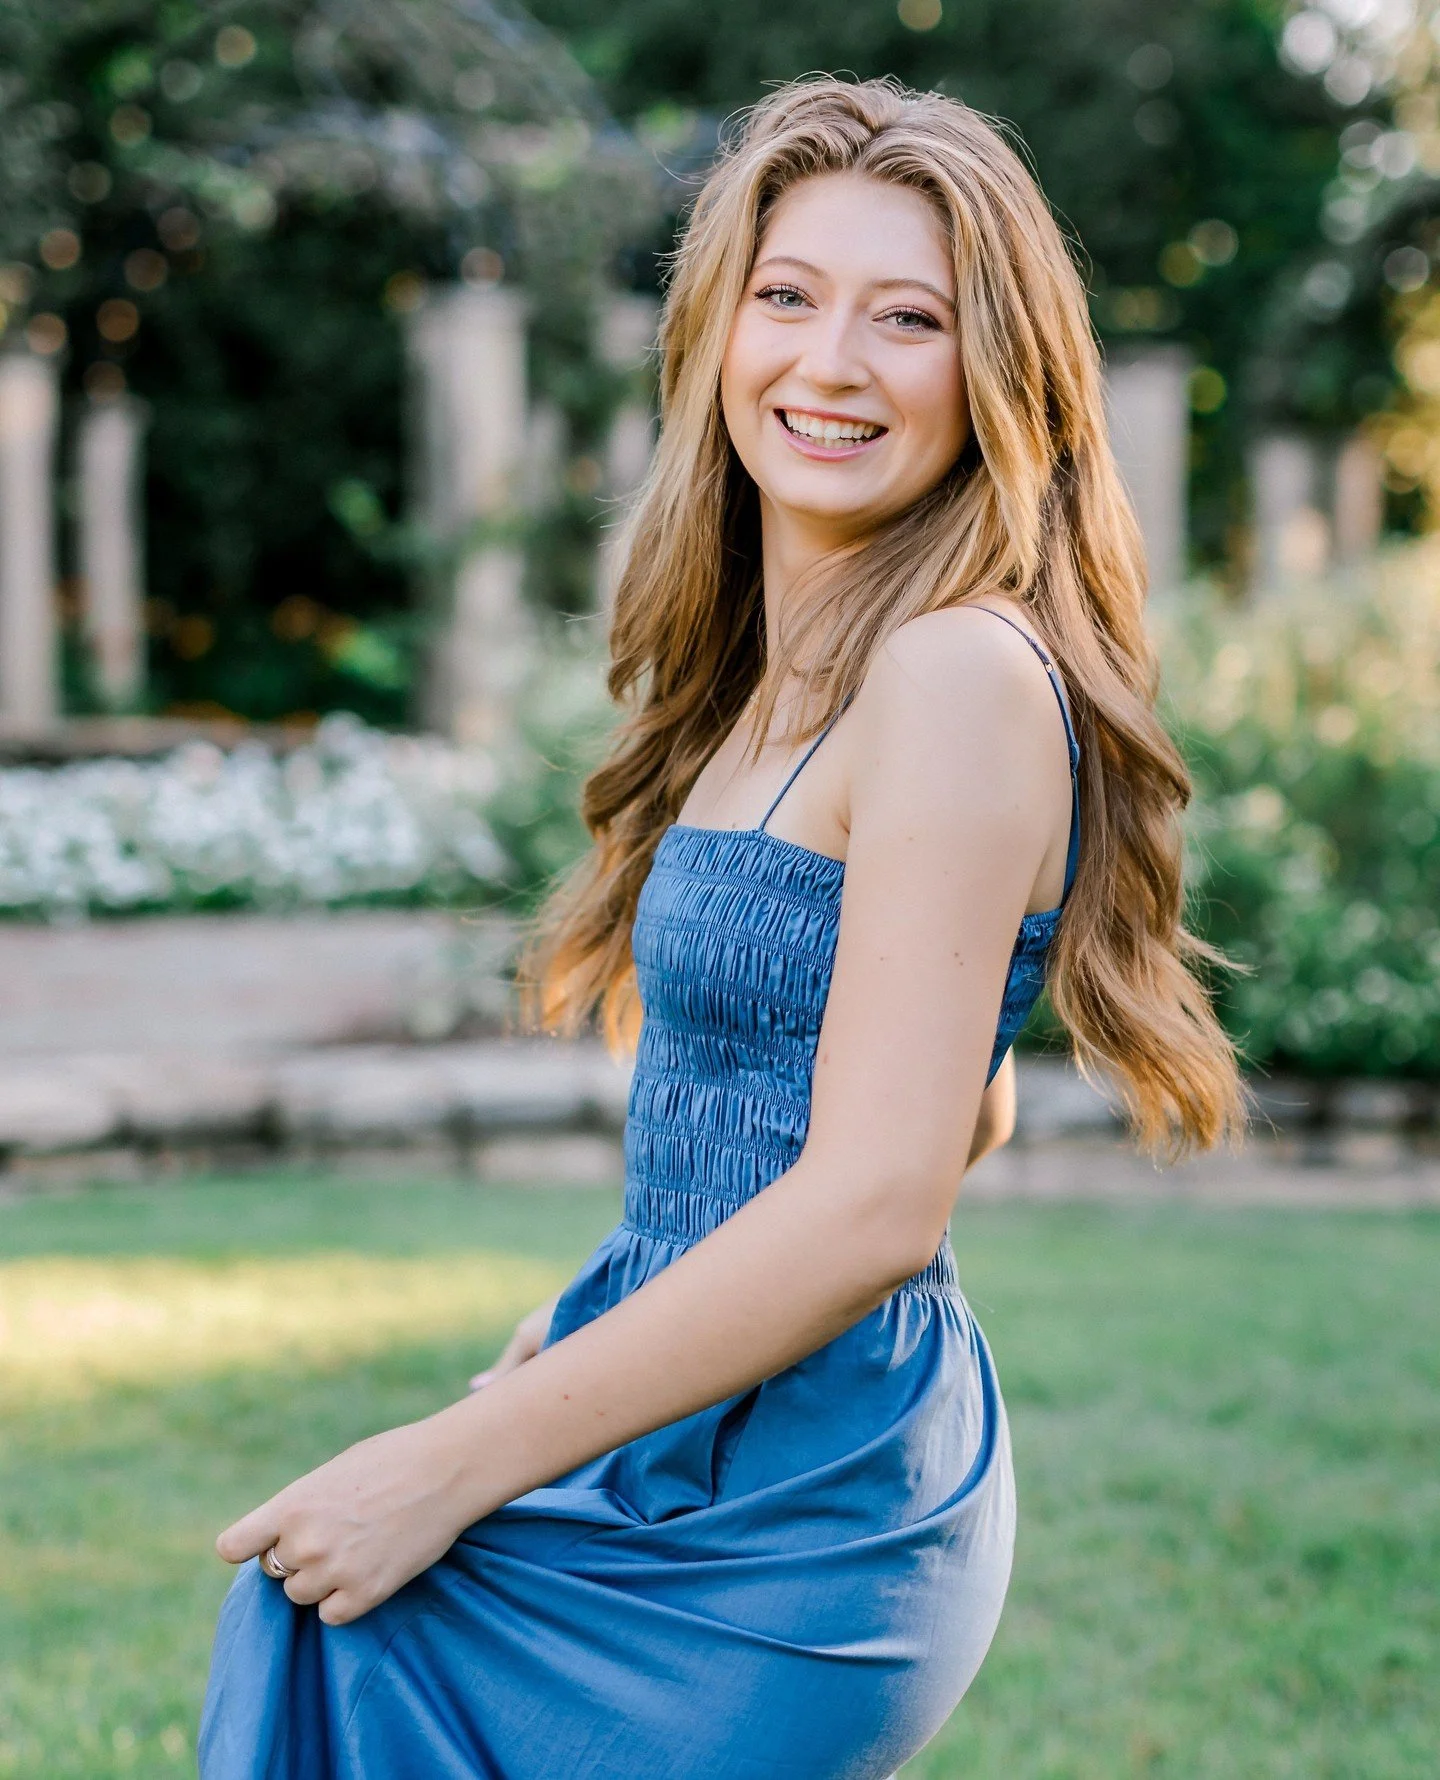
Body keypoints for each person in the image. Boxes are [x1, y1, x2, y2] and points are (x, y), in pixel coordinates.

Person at [200, 75, 1244, 1779]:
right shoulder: (786, 676)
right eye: (789, 296)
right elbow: (954, 1090)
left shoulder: (956, 671)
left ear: (998, 378)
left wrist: (454, 1459)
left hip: (810, 1495)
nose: (832, 364)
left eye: (910, 318)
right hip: (695, 1398)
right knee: (320, 1622)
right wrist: (610, 1318)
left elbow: (885, 1196)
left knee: (345, 1620)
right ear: (717, 328)